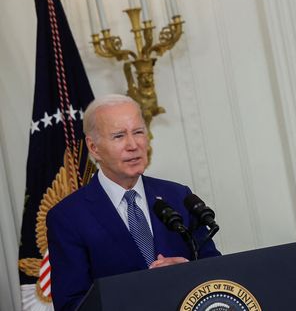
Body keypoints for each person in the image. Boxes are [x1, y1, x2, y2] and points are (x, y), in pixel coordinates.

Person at [47, 94, 220, 311]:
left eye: (138, 132)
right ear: (94, 148)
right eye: (119, 136)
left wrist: (187, 270)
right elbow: (72, 305)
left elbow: (216, 271)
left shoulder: (178, 196)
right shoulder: (67, 217)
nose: (133, 145)